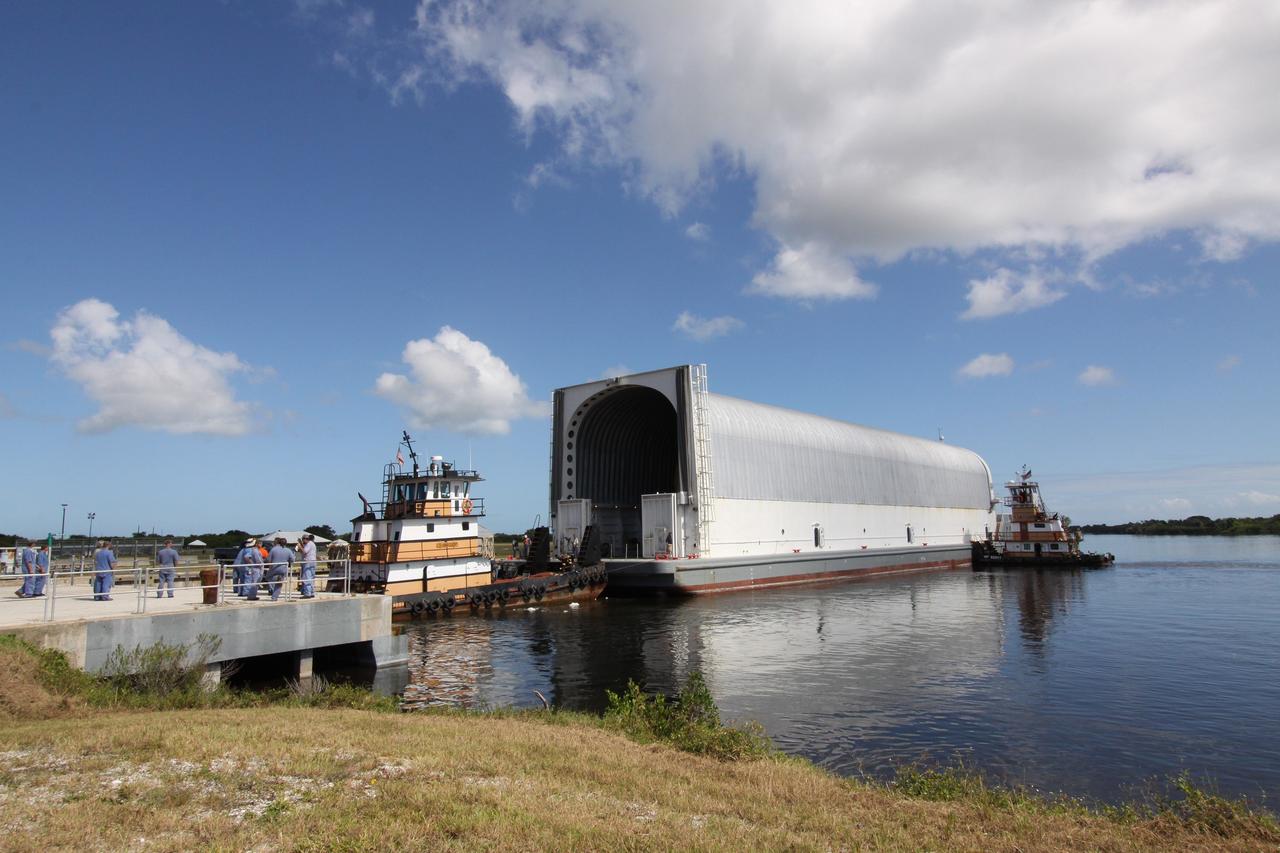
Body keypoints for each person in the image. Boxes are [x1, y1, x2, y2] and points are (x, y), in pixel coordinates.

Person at [265, 537, 293, 601]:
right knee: (279, 584)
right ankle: (274, 597)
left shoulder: (273, 549)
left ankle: (275, 579)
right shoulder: (288, 550)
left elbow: (268, 559)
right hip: (283, 569)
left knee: (268, 577)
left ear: (279, 543)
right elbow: (292, 560)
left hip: (274, 568)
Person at [298, 533, 317, 599]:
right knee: (311, 577)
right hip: (313, 562)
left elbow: (305, 552)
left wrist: (300, 547)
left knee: (307, 577)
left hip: (308, 562)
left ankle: (307, 593)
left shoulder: (309, 544)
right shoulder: (313, 544)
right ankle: (312, 592)